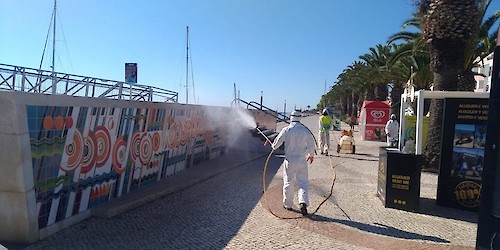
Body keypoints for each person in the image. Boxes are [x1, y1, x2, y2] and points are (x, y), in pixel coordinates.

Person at [270, 110, 316, 216]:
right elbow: (311, 144)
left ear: (291, 117)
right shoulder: (305, 130)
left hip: (289, 160)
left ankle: (288, 204)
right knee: (303, 183)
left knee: (288, 182)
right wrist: (311, 155)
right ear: (300, 118)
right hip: (301, 161)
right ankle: (303, 202)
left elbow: (277, 142)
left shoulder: (286, 129)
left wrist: (273, 147)